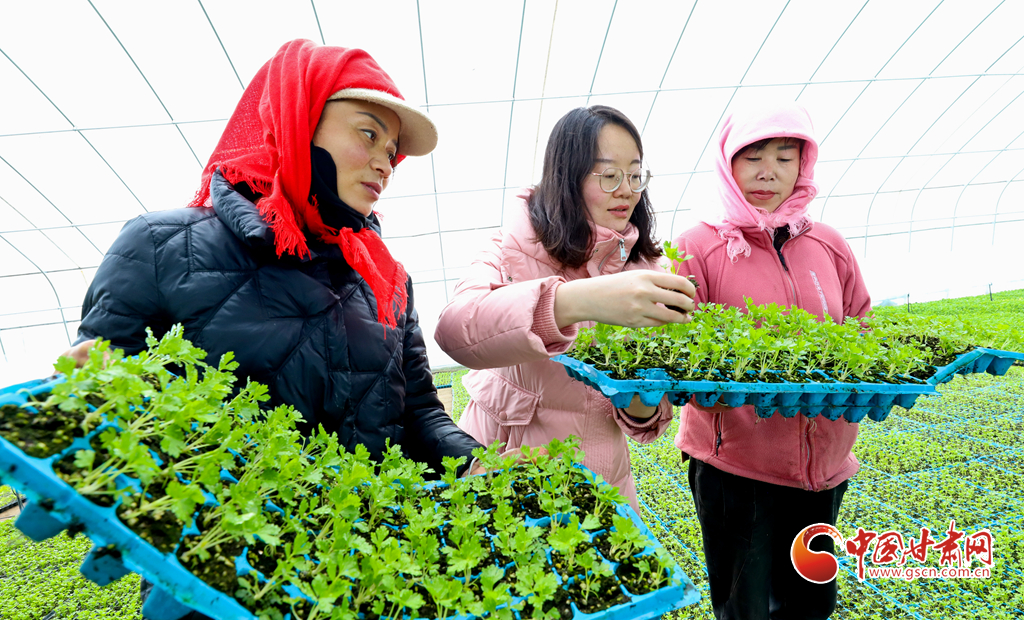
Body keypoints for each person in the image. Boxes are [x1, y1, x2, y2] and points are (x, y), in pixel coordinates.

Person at [62, 41, 486, 618]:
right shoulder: (160, 247)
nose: (386, 162)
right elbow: (107, 404)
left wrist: (474, 461)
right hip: (220, 583)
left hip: (363, 575)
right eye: (368, 134)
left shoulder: (385, 280)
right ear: (295, 120)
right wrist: (95, 399)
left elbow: (421, 413)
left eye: (392, 151)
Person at [433, 105, 697, 512]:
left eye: (635, 175)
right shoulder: (511, 248)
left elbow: (646, 416)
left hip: (603, 483)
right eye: (609, 175)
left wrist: (642, 400)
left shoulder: (646, 271)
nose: (626, 190)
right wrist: (576, 301)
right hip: (505, 472)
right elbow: (456, 331)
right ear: (567, 177)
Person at [671, 102, 871, 620]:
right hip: (737, 468)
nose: (769, 172)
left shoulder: (828, 243)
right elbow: (677, 350)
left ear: (803, 165)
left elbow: (861, 325)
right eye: (753, 157)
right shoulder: (697, 247)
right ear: (728, 163)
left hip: (824, 465)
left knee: (810, 602)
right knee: (747, 608)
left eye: (785, 158)